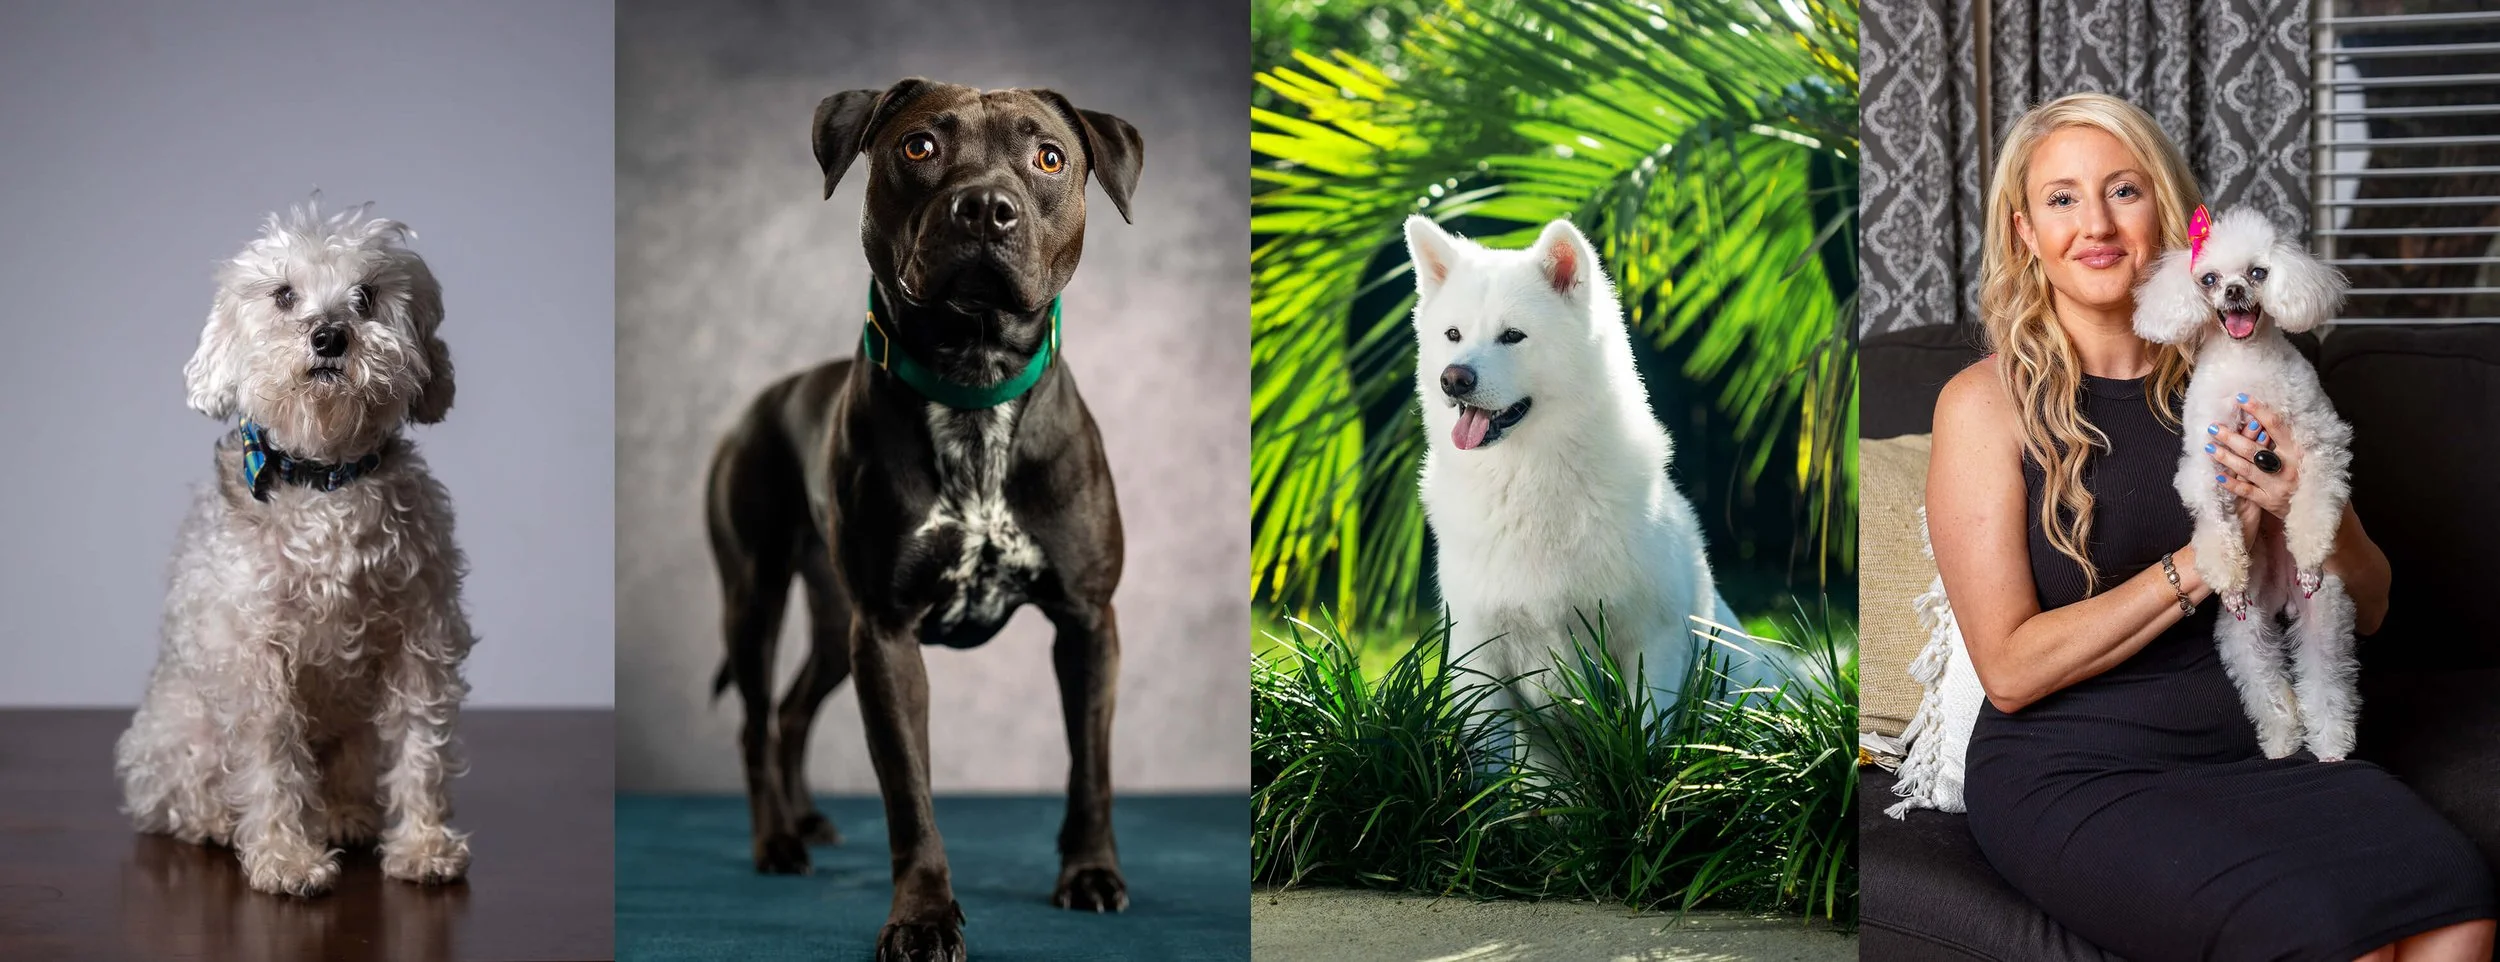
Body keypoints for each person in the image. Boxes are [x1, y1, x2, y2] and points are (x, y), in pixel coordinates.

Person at [1927, 91, 2497, 961]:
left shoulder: (2243, 368)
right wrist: (2198, 564)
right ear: (2023, 232)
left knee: (2457, 905)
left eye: (2123, 191)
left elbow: (2373, 604)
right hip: (2079, 768)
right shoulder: (1984, 406)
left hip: (2259, 752)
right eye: (2062, 199)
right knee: (2336, 938)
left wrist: (2307, 507)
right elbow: (2006, 671)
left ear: (2169, 214)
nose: (2096, 225)